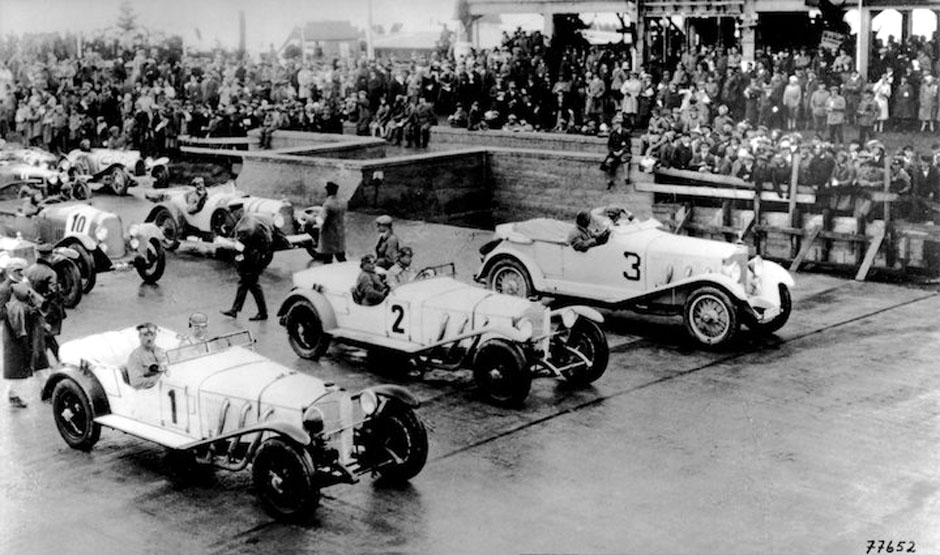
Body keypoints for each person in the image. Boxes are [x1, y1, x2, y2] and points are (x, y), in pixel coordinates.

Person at [220, 200, 270, 321]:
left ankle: (262, 313)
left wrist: (225, 243)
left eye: (232, 212)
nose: (231, 215)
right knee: (244, 284)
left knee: (253, 286)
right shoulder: (248, 220)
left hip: (251, 260)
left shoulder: (245, 227)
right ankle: (235, 310)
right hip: (256, 257)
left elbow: (241, 247)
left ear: (238, 212)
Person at [25, 243, 63, 362]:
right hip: (46, 311)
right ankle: (60, 360)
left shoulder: (29, 270)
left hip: (33, 309)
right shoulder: (51, 273)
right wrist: (52, 315)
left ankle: (42, 361)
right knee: (48, 336)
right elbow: (53, 296)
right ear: (50, 255)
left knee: (44, 337)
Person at [2, 259, 32, 408]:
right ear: (10, 272)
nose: (22, 272)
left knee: (24, 362)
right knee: (16, 365)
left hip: (23, 328)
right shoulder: (5, 289)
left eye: (22, 269)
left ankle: (13, 394)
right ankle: (12, 395)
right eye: (18, 270)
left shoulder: (21, 284)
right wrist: (14, 312)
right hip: (13, 332)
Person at [125, 323, 167, 390]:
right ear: (140, 336)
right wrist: (158, 379)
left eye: (152, 335)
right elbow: (136, 383)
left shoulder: (161, 351)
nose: (149, 338)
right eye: (145, 335)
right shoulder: (135, 356)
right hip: (150, 392)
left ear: (155, 336)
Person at [316, 181, 347, 263]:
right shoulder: (342, 202)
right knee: (341, 257)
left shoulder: (328, 204)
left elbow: (320, 220)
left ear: (328, 191)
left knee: (327, 259)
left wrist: (310, 219)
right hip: (339, 234)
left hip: (329, 236)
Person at [602, 116, 631, 189]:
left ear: (619, 124)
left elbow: (628, 144)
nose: (613, 126)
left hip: (623, 152)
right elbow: (609, 145)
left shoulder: (625, 133)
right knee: (609, 162)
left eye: (614, 124)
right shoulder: (612, 134)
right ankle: (609, 180)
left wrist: (622, 151)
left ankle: (626, 177)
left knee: (625, 158)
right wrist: (613, 151)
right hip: (614, 152)